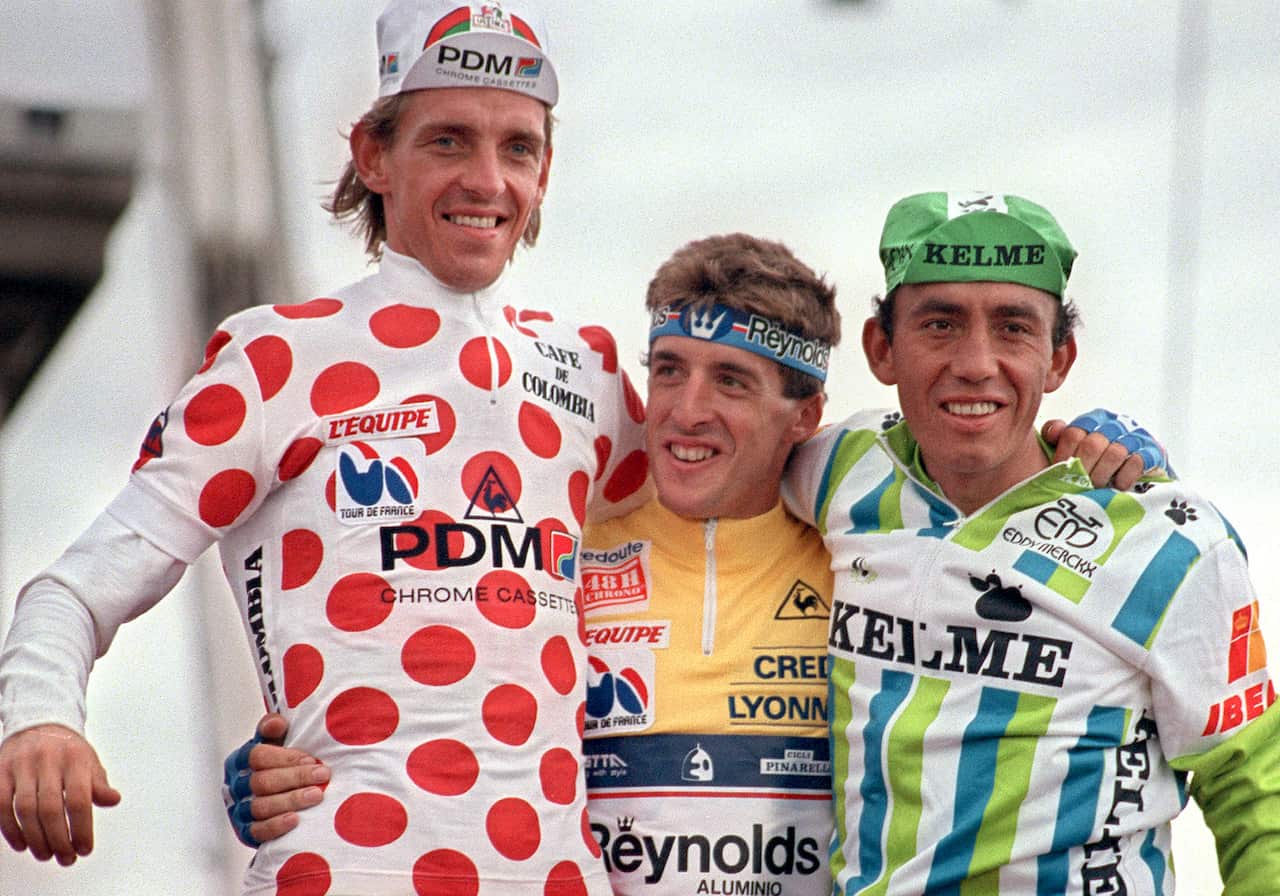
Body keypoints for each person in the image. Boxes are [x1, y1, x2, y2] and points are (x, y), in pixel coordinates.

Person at [226, 233, 1167, 895]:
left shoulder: (872, 545)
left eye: (732, 382)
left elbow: (1019, 654)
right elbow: (430, 694)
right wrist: (300, 763)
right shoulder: (562, 545)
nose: (683, 410)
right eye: (667, 369)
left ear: (805, 414)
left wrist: (1093, 458)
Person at [0, 2, 650, 894]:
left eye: (519, 148)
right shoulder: (278, 358)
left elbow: (701, 581)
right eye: (449, 141)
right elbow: (73, 590)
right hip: (346, 871)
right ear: (373, 154)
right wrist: (39, 720)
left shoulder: (593, 373)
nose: (487, 181)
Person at [783, 190, 1280, 894]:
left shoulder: (1168, 543)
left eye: (1013, 328)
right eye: (940, 324)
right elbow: (713, 461)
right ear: (882, 349)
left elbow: (1256, 785)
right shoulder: (839, 471)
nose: (977, 363)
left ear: (1059, 359)